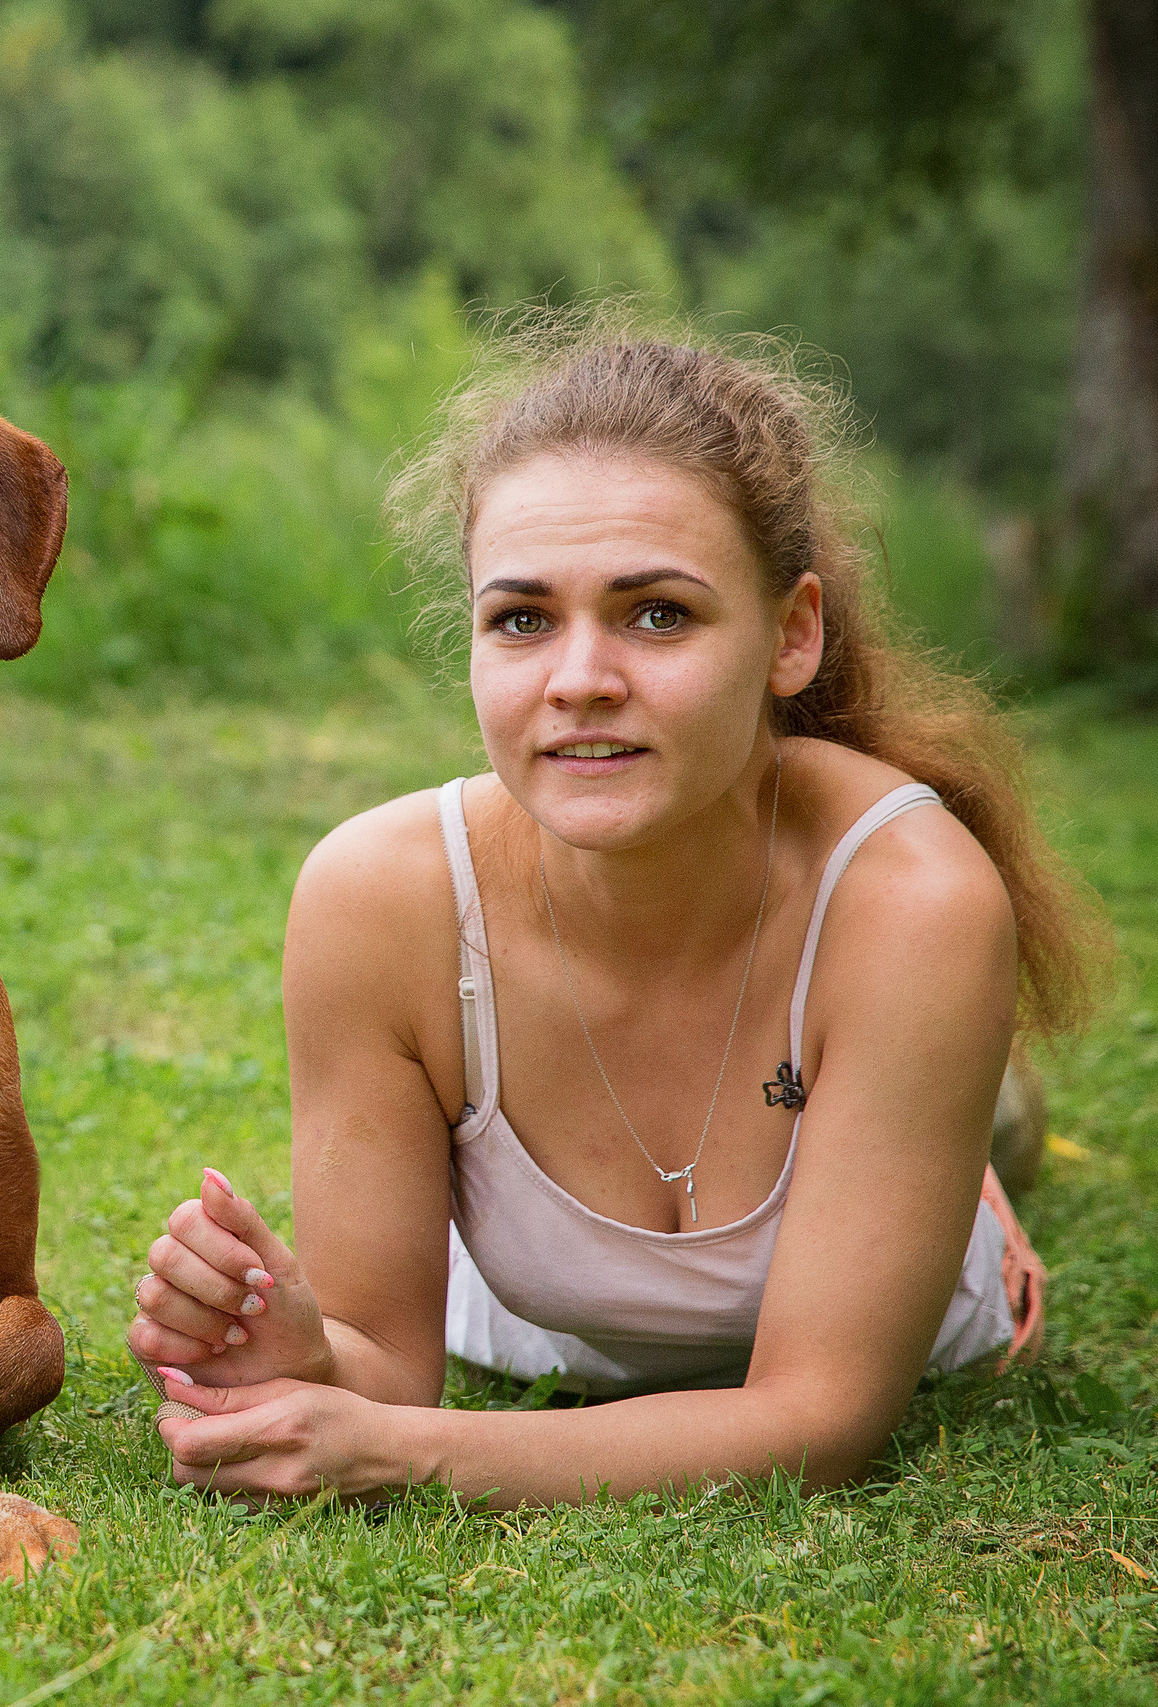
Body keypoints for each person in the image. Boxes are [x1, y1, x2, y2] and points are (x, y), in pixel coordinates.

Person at [126, 308, 1105, 1507]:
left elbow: (819, 1421)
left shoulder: (915, 900)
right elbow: (379, 1369)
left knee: (984, 1122)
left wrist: (410, 1458)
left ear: (791, 635)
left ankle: (980, 1135)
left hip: (899, 1275)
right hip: (536, 1336)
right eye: (522, 619)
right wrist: (307, 1358)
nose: (580, 679)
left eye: (658, 614)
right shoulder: (379, 895)